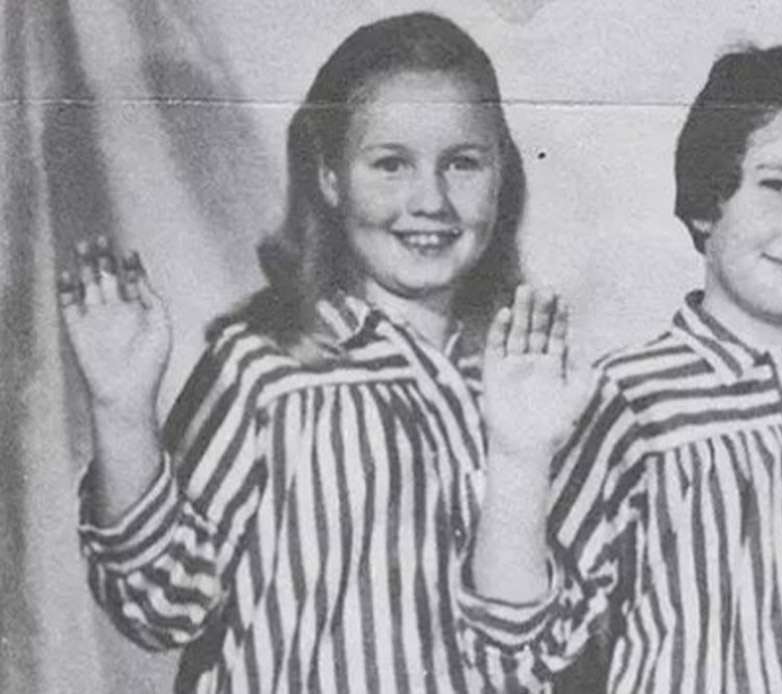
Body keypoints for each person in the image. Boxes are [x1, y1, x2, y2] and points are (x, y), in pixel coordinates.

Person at [58, 13, 582, 694]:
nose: (431, 200)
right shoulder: (268, 369)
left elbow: (528, 659)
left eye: (462, 163)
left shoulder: (527, 386)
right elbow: (159, 607)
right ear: (331, 177)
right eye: (390, 164)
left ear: (503, 175)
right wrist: (122, 411)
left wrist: (520, 459)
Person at [459, 44, 782, 692]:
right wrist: (518, 459)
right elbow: (517, 654)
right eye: (779, 186)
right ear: (707, 202)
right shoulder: (624, 400)